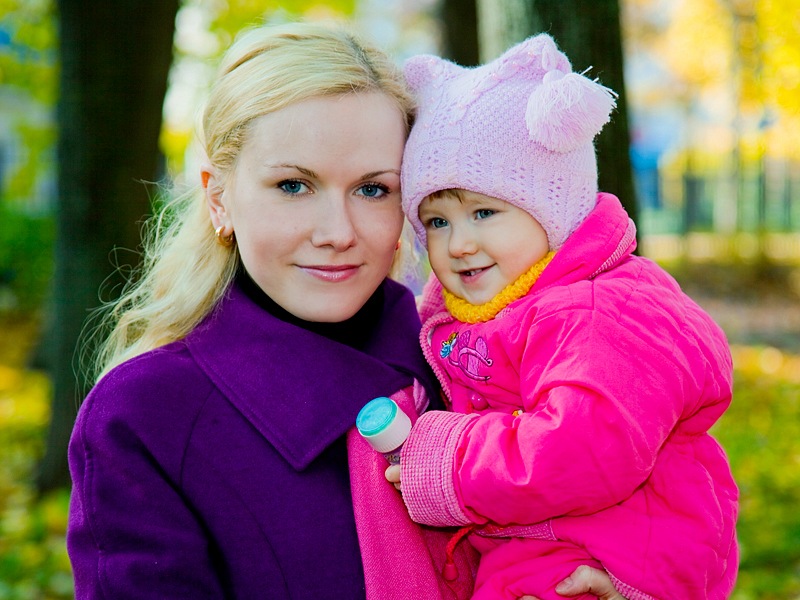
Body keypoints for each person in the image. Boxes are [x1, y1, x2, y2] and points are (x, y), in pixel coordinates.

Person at [66, 21, 624, 600]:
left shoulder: (485, 358)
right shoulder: (145, 414)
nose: (338, 232)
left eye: (372, 189)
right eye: (293, 186)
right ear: (218, 198)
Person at [388, 33, 739, 600]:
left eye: (485, 212)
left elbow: (582, 445)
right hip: (548, 537)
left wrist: (446, 460)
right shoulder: (494, 305)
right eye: (437, 221)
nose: (458, 243)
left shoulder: (594, 311)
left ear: (552, 211)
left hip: (612, 550)